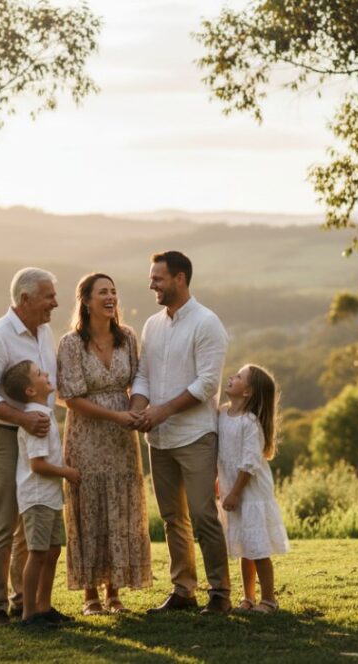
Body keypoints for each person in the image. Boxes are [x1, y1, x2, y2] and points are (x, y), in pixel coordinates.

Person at [131, 250, 232, 615]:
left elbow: (207, 384)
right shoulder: (152, 325)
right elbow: (143, 374)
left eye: (157, 278)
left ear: (180, 279)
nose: (151, 284)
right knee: (174, 517)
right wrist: (138, 408)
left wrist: (162, 410)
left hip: (195, 435)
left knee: (203, 514)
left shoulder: (207, 323)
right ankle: (184, 590)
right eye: (151, 277)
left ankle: (219, 591)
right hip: (159, 438)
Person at [57, 273, 152, 615]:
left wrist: (136, 411)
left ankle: (114, 592)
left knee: (120, 506)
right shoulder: (71, 343)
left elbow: (140, 379)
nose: (111, 297)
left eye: (113, 291)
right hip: (86, 435)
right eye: (103, 292)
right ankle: (90, 595)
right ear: (85, 301)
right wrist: (117, 417)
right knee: (90, 506)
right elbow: (71, 397)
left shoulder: (127, 337)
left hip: (123, 438)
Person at [0, 267, 58, 626]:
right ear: (25, 299)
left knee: (31, 516)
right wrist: (23, 419)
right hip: (4, 436)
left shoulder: (46, 331)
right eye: (48, 296)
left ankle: (27, 601)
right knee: (5, 518)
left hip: (36, 437)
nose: (55, 303)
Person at [2, 360, 80, 628]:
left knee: (53, 550)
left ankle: (44, 607)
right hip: (36, 497)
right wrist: (66, 472)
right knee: (36, 553)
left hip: (49, 496)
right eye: (38, 374)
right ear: (29, 391)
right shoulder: (37, 418)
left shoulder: (43, 411)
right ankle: (29, 613)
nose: (46, 374)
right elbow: (37, 465)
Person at [217, 364, 290, 614]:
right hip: (232, 489)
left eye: (238, 377)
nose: (231, 377)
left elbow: (249, 463)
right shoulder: (222, 415)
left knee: (257, 547)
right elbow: (222, 454)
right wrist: (221, 482)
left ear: (247, 392)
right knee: (244, 548)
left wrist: (235, 492)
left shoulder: (249, 423)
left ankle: (269, 599)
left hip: (250, 493)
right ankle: (248, 597)